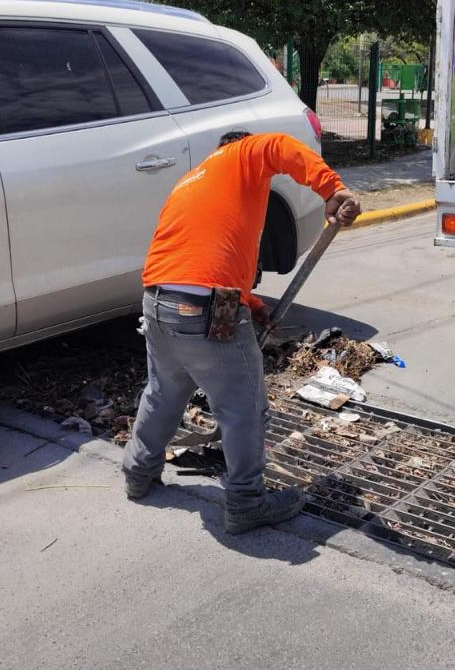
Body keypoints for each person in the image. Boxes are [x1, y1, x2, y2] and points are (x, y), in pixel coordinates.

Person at [122, 131, 361, 534]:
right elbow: (278, 146)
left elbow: (204, 255)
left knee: (164, 392)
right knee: (244, 408)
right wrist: (332, 189)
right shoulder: (241, 153)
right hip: (204, 307)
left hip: (158, 300)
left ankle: (137, 473)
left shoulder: (192, 180)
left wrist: (248, 302)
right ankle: (247, 502)